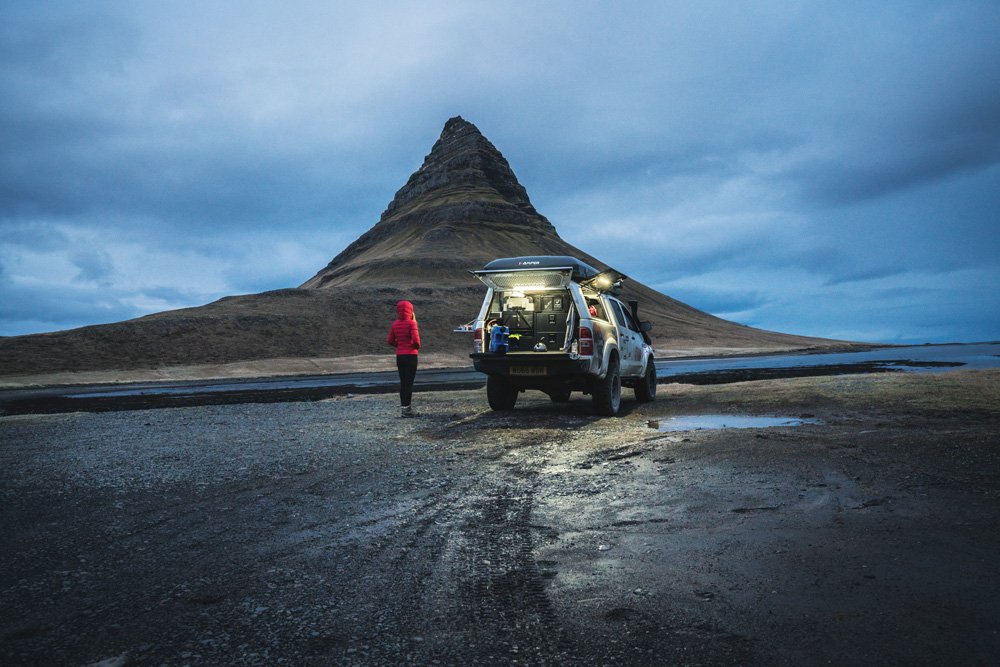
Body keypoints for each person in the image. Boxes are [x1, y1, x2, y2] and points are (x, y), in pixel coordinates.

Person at [387, 300, 421, 417]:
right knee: (409, 383)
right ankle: (408, 410)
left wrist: (400, 346)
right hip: (411, 356)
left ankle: (403, 409)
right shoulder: (412, 324)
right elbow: (416, 341)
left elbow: (390, 341)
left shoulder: (395, 324)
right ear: (410, 310)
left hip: (400, 356)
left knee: (403, 382)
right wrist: (414, 347)